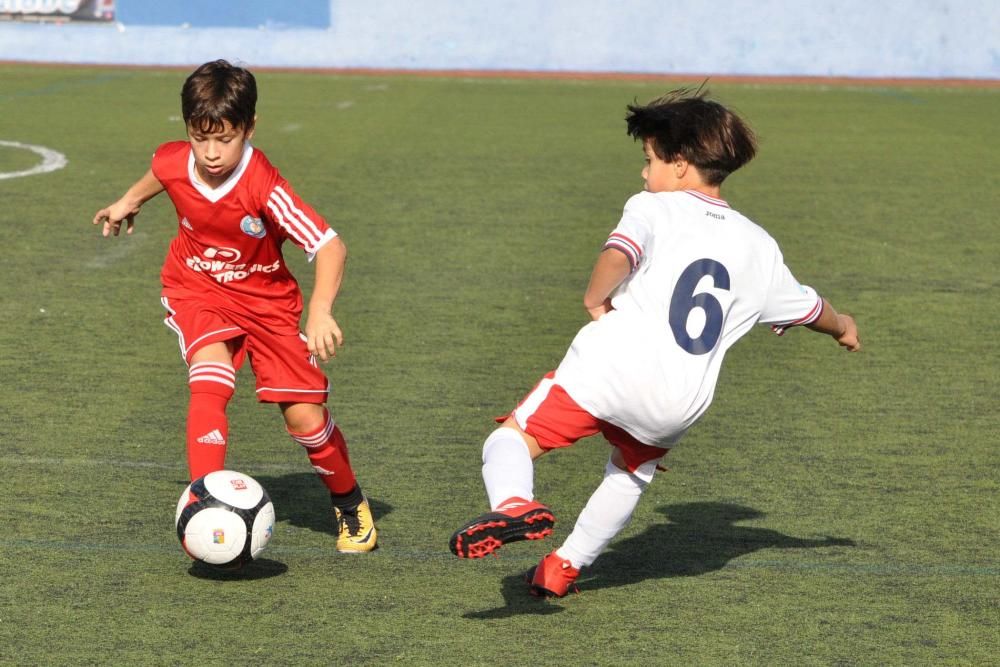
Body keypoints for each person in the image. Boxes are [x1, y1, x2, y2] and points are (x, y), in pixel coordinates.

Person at [449, 88, 861, 596]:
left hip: (611, 368)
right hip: (678, 401)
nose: (644, 174)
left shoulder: (652, 207)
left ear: (682, 165)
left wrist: (595, 297)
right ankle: (564, 567)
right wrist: (844, 328)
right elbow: (812, 309)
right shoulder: (760, 245)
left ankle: (513, 503)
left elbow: (619, 254)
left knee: (511, 438)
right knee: (630, 471)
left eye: (649, 160)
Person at [92, 60, 377, 553]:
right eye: (200, 138)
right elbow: (161, 171)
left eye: (224, 139)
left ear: (250, 127)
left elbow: (330, 246)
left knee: (304, 419)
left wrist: (321, 310)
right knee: (209, 378)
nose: (211, 152)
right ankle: (204, 502)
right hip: (196, 288)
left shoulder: (263, 185)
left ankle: (350, 504)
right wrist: (127, 201)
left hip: (268, 305)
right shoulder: (175, 159)